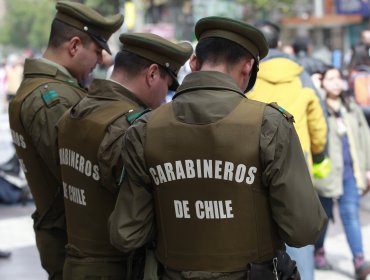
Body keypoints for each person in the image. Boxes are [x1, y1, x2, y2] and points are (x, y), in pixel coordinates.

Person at [109, 16, 327, 279]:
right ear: (248, 68)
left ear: (193, 63)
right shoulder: (269, 125)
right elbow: (304, 228)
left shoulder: (145, 129)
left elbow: (126, 234)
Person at [57, 32, 192, 279]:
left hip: (75, 264)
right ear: (152, 74)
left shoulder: (74, 112)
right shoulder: (133, 127)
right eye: (168, 85)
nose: (165, 97)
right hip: (117, 269)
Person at [7, 1, 123, 279]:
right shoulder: (52, 100)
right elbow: (76, 173)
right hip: (72, 240)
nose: (100, 61)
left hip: (65, 237)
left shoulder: (46, 90)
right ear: (73, 46)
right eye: (97, 51)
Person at [247, 21, 328, 280]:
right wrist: (318, 154)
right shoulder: (301, 75)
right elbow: (318, 119)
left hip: (254, 157)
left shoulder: (248, 72)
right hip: (298, 159)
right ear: (281, 44)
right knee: (299, 223)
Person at [313, 66, 370, 280]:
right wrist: (316, 89)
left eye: (339, 78)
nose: (337, 82)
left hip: (350, 172)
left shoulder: (351, 106)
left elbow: (365, 135)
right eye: (331, 79)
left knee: (351, 215)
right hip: (325, 175)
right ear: (322, 82)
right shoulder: (317, 104)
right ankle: (319, 251)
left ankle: (359, 260)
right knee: (323, 217)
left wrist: (367, 168)